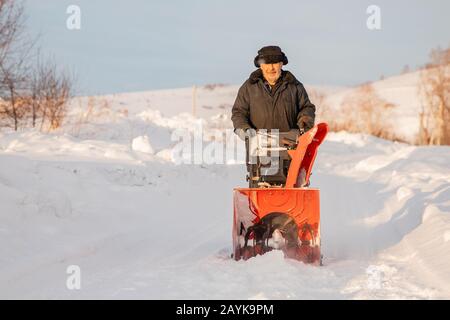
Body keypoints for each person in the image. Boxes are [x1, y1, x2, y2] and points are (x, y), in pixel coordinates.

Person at [231, 46, 316, 140]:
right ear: (261, 65)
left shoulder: (294, 86)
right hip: (258, 148)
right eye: (267, 63)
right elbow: (238, 112)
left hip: (289, 148)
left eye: (275, 63)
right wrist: (244, 129)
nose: (271, 68)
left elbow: (306, 108)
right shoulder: (249, 87)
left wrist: (305, 119)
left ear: (281, 64)